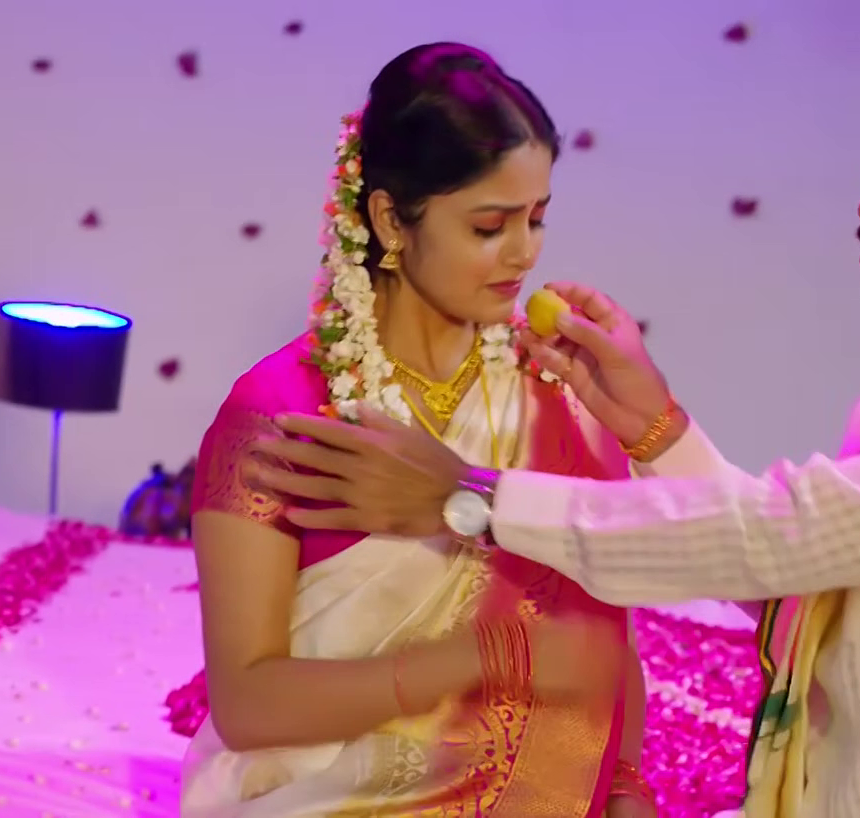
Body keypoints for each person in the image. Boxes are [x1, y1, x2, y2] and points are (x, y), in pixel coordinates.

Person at [247, 32, 860, 818]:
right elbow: (805, 566)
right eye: (490, 224)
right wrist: (653, 429)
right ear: (392, 218)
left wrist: (467, 499)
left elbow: (775, 539)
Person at [180, 42, 658, 817]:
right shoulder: (283, 411)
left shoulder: (557, 392)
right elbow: (247, 706)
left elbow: (608, 638)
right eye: (489, 226)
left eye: (537, 218)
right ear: (389, 220)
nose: (524, 253)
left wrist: (628, 786)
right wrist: (477, 660)